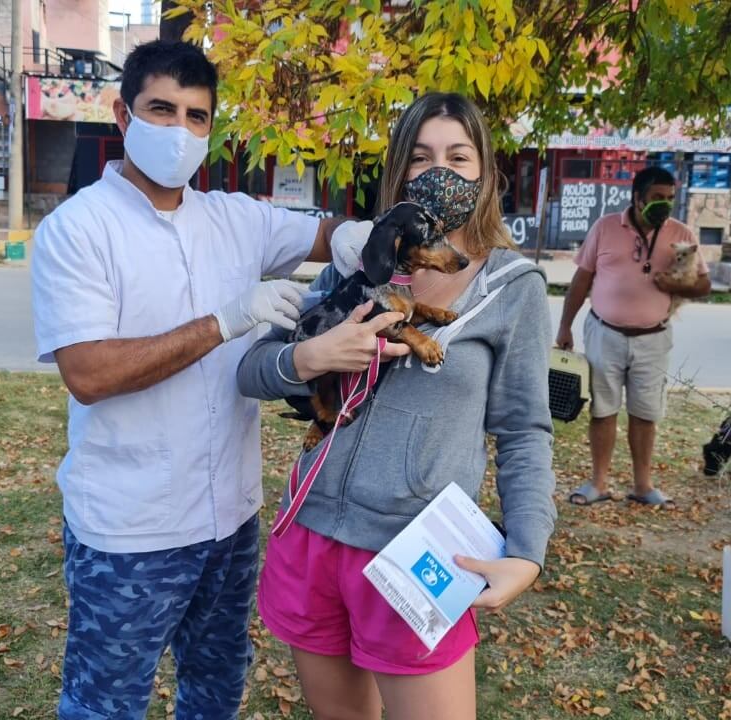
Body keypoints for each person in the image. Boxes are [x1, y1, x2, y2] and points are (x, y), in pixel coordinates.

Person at [30, 41, 368, 720]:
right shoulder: (79, 230)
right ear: (124, 117)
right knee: (105, 703)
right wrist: (225, 320)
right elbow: (89, 374)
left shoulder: (234, 218)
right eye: (162, 110)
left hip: (228, 518)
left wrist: (365, 235)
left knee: (215, 690)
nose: (179, 130)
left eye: (196, 116)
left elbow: (324, 234)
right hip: (131, 526)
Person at [236, 93, 556, 720]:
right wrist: (309, 358)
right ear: (397, 174)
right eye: (420, 158)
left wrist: (527, 548)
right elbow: (253, 371)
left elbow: (524, 431)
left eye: (458, 157)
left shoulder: (513, 289)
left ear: (485, 173)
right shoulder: (357, 266)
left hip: (417, 554)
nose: (440, 174)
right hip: (312, 535)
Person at [555, 166, 711, 508]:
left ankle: (643, 485)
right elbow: (581, 280)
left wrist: (675, 285)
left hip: (653, 338)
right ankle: (598, 482)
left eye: (670, 198)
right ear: (637, 198)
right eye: (657, 198)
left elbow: (704, 284)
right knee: (603, 409)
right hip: (604, 333)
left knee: (645, 413)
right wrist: (565, 326)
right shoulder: (606, 227)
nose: (665, 205)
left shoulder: (680, 233)